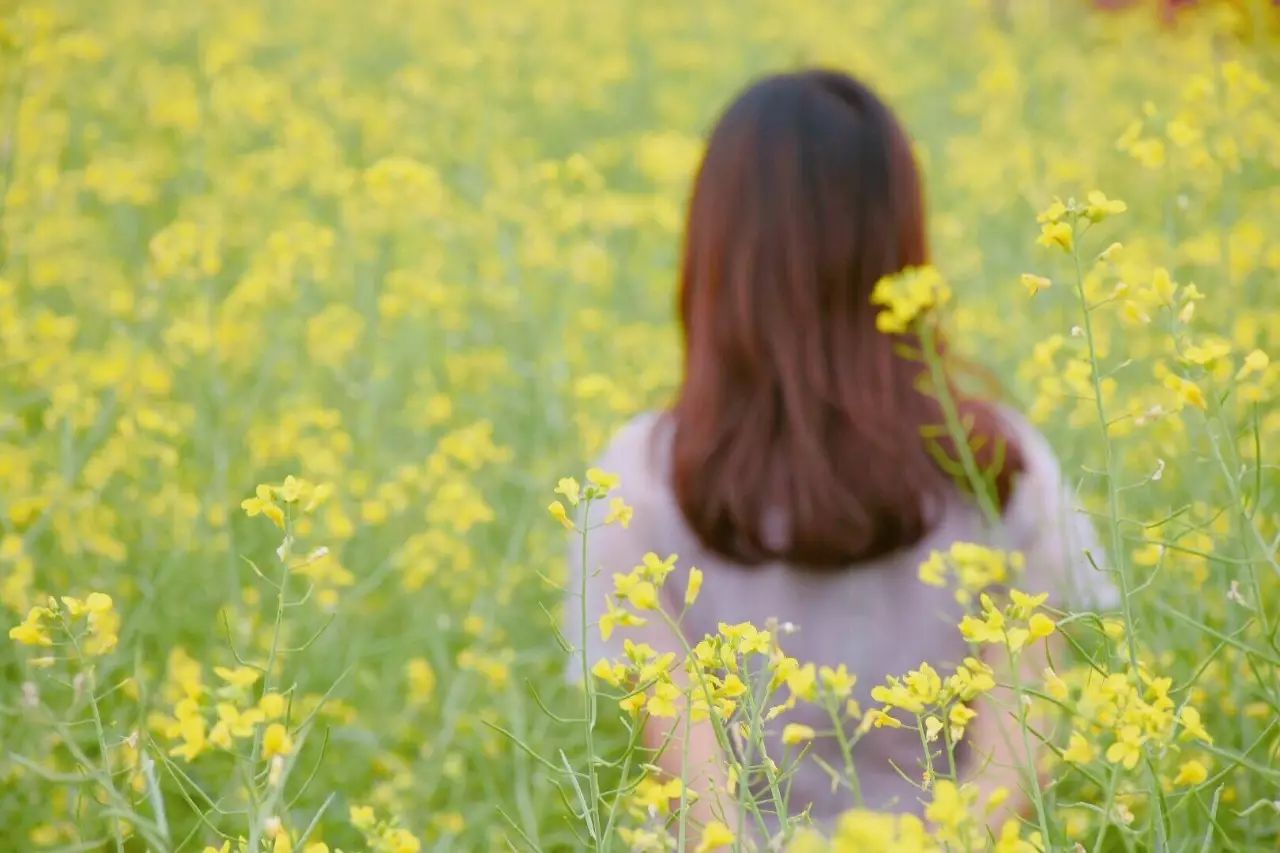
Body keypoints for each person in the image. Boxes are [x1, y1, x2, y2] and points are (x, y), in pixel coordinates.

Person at [565, 70, 1116, 833]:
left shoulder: (636, 481)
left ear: (716, 250)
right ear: (903, 245)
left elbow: (705, 811)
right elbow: (1007, 777)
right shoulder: (1002, 465)